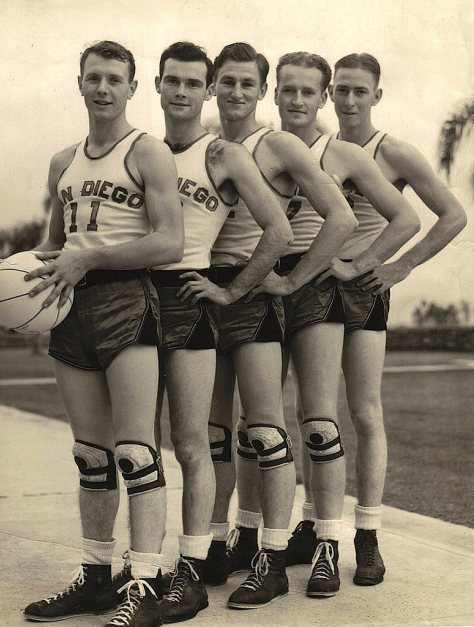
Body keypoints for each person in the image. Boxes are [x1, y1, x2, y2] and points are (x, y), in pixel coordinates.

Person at [0, 40, 184, 627]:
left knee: (135, 451)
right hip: (71, 307)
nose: (103, 88)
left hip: (127, 300)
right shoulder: (63, 161)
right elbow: (55, 244)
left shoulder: (147, 152)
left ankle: (144, 581)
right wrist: (11, 282)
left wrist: (87, 262)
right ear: (78, 83)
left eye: (114, 79)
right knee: (90, 456)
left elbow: (168, 241)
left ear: (132, 87)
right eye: (93, 77)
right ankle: (96, 575)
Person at [232, 51, 420, 597]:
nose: (295, 100)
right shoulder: (260, 147)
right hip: (265, 283)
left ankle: (331, 544)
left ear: (323, 97)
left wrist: (361, 265)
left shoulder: (340, 152)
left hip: (316, 287)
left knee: (321, 419)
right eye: (286, 90)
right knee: (258, 421)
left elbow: (404, 218)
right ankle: (251, 535)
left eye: (307, 92)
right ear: (275, 94)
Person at [179, 42, 357, 609]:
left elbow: (342, 217)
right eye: (225, 81)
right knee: (215, 436)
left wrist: (288, 281)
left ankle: (279, 557)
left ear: (261, 92)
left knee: (273, 426)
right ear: (214, 87)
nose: (234, 92)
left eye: (245, 83)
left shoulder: (274, 143)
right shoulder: (206, 145)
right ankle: (214, 545)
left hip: (251, 293)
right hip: (207, 294)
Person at [118, 41, 290, 624]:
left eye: (195, 82)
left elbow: (279, 231)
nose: (183, 92)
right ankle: (146, 564)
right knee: (142, 442)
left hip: (190, 301)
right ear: (158, 86)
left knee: (195, 443)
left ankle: (194, 569)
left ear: (208, 87)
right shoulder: (143, 150)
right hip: (137, 301)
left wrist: (233, 290)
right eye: (172, 81)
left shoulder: (222, 155)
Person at [282, 51, 467, 590]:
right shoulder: (313, 148)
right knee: (312, 412)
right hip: (315, 287)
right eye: (340, 90)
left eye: (360, 91)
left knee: (364, 411)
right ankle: (317, 525)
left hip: (362, 290)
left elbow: (451, 215)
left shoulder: (393, 153)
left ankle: (368, 534)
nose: (348, 100)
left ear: (377, 96)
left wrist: (394, 266)